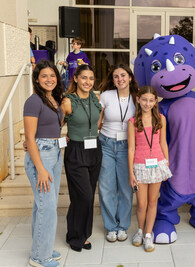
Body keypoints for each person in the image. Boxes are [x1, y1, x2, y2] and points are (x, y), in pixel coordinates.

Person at [24, 60, 64, 267]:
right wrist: (40, 168)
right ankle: (39, 257)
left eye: (52, 75)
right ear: (37, 80)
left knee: (45, 204)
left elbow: (53, 126)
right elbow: (30, 138)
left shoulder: (53, 99)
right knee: (46, 206)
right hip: (42, 156)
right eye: (44, 76)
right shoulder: (33, 101)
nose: (49, 79)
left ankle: (43, 247)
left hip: (55, 152)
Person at [61, 64, 102, 252]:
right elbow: (56, 125)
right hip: (76, 151)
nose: (88, 82)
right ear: (75, 79)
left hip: (94, 149)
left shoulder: (96, 98)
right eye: (84, 78)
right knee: (83, 196)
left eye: (91, 78)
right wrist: (63, 138)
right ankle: (76, 237)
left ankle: (80, 234)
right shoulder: (68, 101)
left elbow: (98, 122)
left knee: (87, 196)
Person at [128, 85, 172, 252]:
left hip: (157, 164)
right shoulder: (132, 122)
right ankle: (139, 230)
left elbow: (163, 143)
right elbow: (131, 148)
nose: (147, 103)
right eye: (144, 100)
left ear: (155, 102)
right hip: (140, 166)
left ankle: (148, 234)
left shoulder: (161, 119)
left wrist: (166, 163)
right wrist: (131, 172)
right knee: (141, 203)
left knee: (153, 202)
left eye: (151, 100)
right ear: (138, 100)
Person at [98, 64, 138, 242]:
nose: (120, 79)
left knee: (126, 188)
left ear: (130, 77)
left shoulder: (137, 98)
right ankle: (110, 227)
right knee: (106, 187)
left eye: (123, 75)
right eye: (116, 76)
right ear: (112, 80)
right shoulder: (106, 96)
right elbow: (97, 121)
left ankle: (123, 226)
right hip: (106, 143)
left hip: (127, 146)